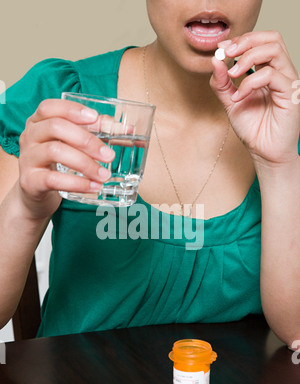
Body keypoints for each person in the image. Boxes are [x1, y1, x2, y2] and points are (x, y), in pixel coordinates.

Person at [0, 0, 299, 347]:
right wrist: (25, 209)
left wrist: (279, 165)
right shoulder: (66, 97)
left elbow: (295, 334)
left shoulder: (286, 116)